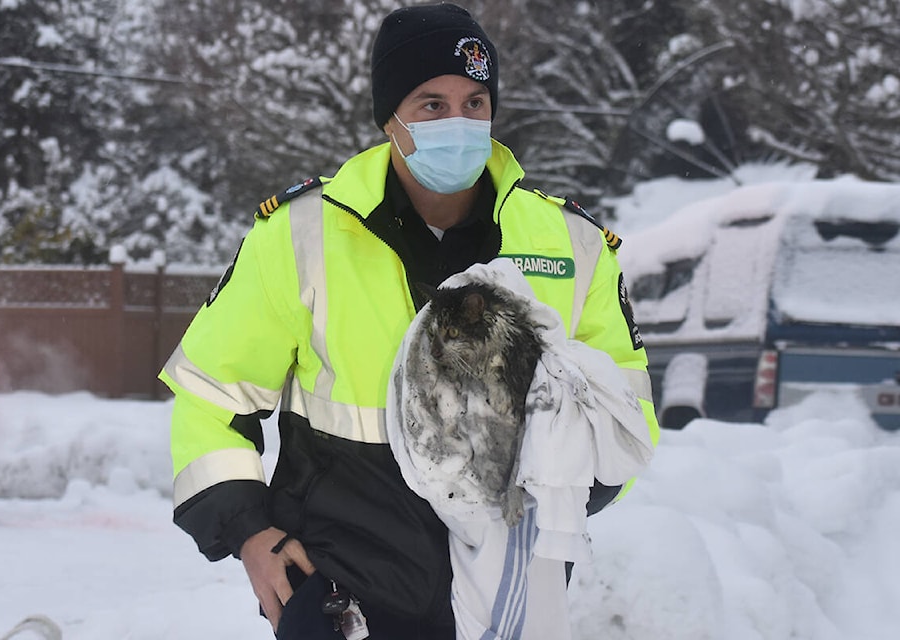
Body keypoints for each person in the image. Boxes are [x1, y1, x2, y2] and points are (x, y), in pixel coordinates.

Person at [159, 3, 659, 639]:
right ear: (389, 117)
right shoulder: (301, 233)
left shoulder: (572, 244)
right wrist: (250, 534)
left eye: (475, 103)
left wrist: (548, 508)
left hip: (511, 592)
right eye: (432, 104)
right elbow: (209, 397)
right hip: (342, 583)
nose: (459, 122)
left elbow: (628, 412)